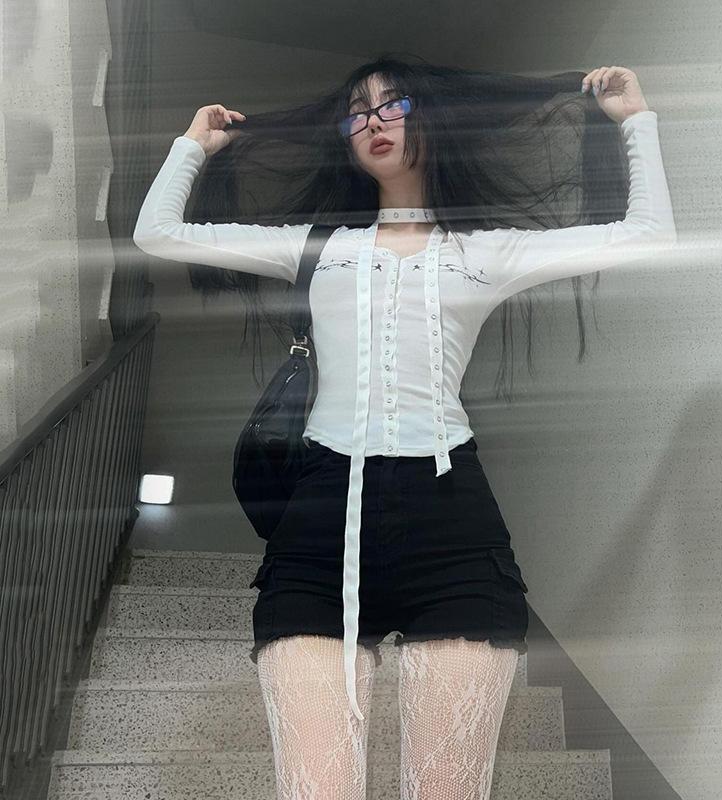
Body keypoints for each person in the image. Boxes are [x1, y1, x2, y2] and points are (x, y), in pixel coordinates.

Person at [133, 54, 676, 800]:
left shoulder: (486, 250)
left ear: (434, 119)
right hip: (320, 532)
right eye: (358, 111)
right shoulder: (317, 246)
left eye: (394, 104)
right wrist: (193, 145)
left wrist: (636, 122)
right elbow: (158, 233)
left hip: (452, 529)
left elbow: (648, 234)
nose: (374, 121)